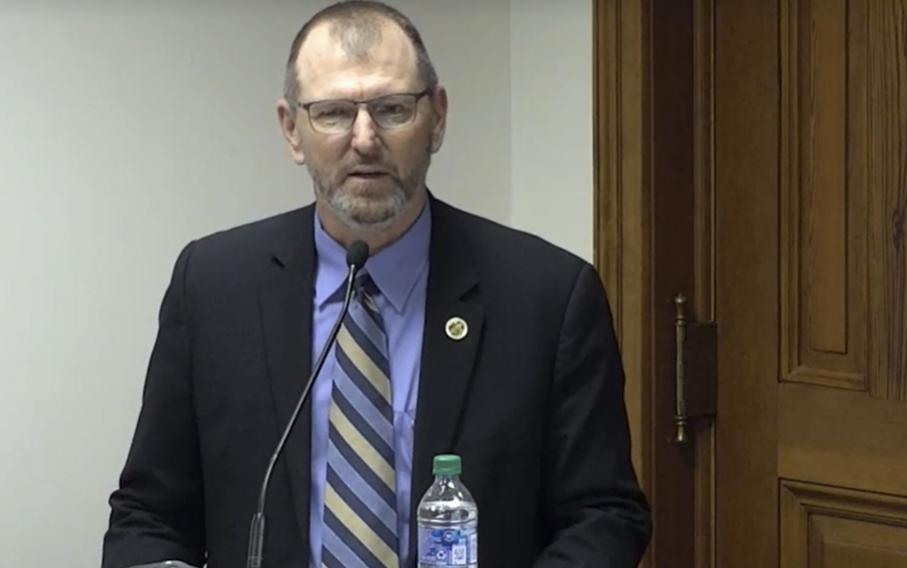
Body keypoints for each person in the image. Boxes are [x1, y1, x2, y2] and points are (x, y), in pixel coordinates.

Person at [102, 2, 651, 567]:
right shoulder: (214, 288)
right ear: (292, 130)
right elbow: (149, 513)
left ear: (437, 117)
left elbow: (604, 514)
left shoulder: (547, 296)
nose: (365, 139)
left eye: (392, 109)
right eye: (334, 113)